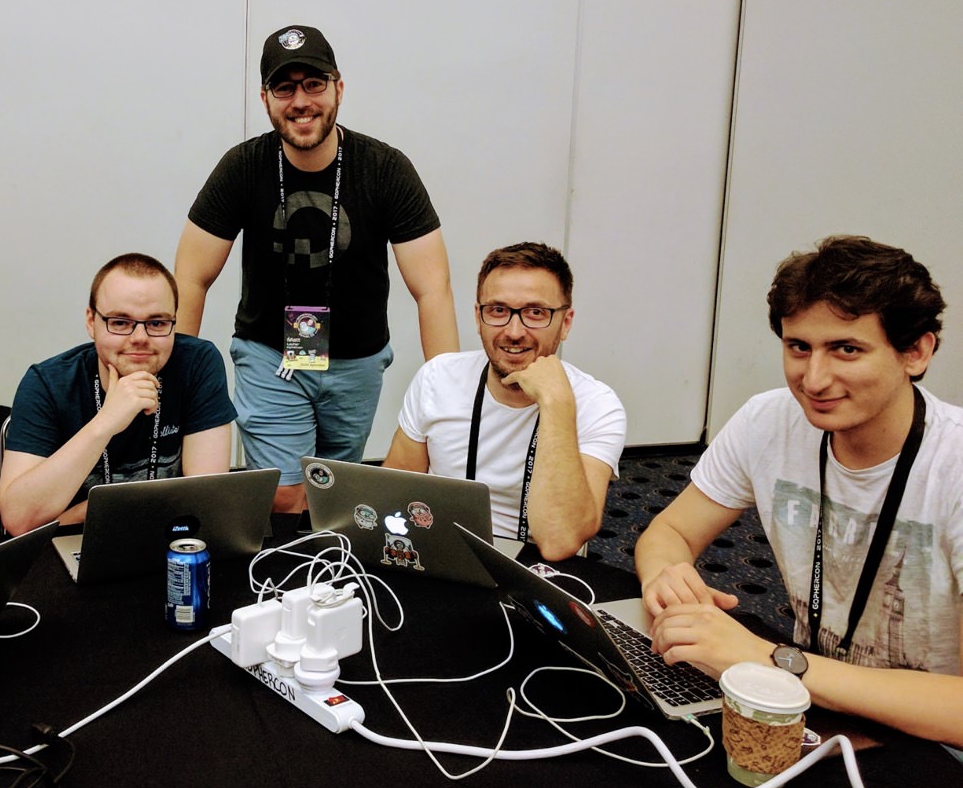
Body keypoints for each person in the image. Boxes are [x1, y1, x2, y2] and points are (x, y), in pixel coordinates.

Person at [635, 235, 963, 746]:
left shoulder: (953, 464)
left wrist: (771, 659)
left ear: (916, 352)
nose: (813, 380)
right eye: (799, 347)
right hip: (811, 703)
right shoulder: (769, 420)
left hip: (930, 744)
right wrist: (667, 578)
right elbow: (670, 532)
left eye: (846, 349)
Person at [175, 25, 459, 512]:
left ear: (338, 89)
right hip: (271, 357)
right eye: (285, 88)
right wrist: (177, 381)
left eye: (314, 84)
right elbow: (191, 278)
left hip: (358, 362)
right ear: (265, 99)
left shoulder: (385, 169)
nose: (301, 101)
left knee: (334, 498)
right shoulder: (243, 167)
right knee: (286, 495)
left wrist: (447, 400)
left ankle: (324, 563)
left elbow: (433, 288)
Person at [383, 242, 625, 560]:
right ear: (478, 317)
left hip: (539, 567)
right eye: (498, 310)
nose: (513, 331)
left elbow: (560, 541)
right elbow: (393, 495)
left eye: (535, 313)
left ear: (565, 323)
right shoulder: (437, 377)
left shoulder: (597, 405)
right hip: (446, 554)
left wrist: (556, 404)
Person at [0, 254, 236, 534]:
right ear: (91, 321)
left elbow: (205, 501)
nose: (140, 338)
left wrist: (90, 511)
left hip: (169, 539)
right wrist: (105, 423)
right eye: (120, 322)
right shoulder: (47, 383)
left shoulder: (197, 364)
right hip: (72, 542)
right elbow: (19, 520)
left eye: (157, 323)